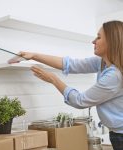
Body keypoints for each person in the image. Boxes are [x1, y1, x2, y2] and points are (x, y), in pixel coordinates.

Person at [8, 20, 123, 150]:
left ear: (112, 42)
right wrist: (34, 56)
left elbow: (81, 101)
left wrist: (53, 79)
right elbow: (70, 64)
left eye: (99, 37)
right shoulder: (103, 63)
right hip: (117, 134)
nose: (93, 41)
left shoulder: (115, 76)